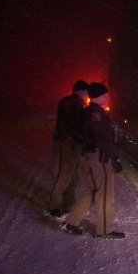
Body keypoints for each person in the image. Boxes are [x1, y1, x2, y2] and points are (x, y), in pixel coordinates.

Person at [61, 82, 125, 239]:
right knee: (105, 193)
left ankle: (71, 222)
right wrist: (114, 156)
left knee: (91, 191)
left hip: (91, 156)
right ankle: (104, 230)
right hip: (100, 157)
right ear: (98, 96)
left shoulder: (89, 112)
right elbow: (101, 138)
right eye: (106, 94)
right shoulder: (95, 114)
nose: (108, 97)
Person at [46, 80, 88, 219]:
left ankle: (68, 204)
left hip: (66, 141)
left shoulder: (67, 102)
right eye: (86, 92)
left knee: (72, 175)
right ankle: (54, 207)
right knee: (66, 175)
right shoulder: (76, 104)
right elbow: (75, 125)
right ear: (82, 92)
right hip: (69, 143)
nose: (88, 95)